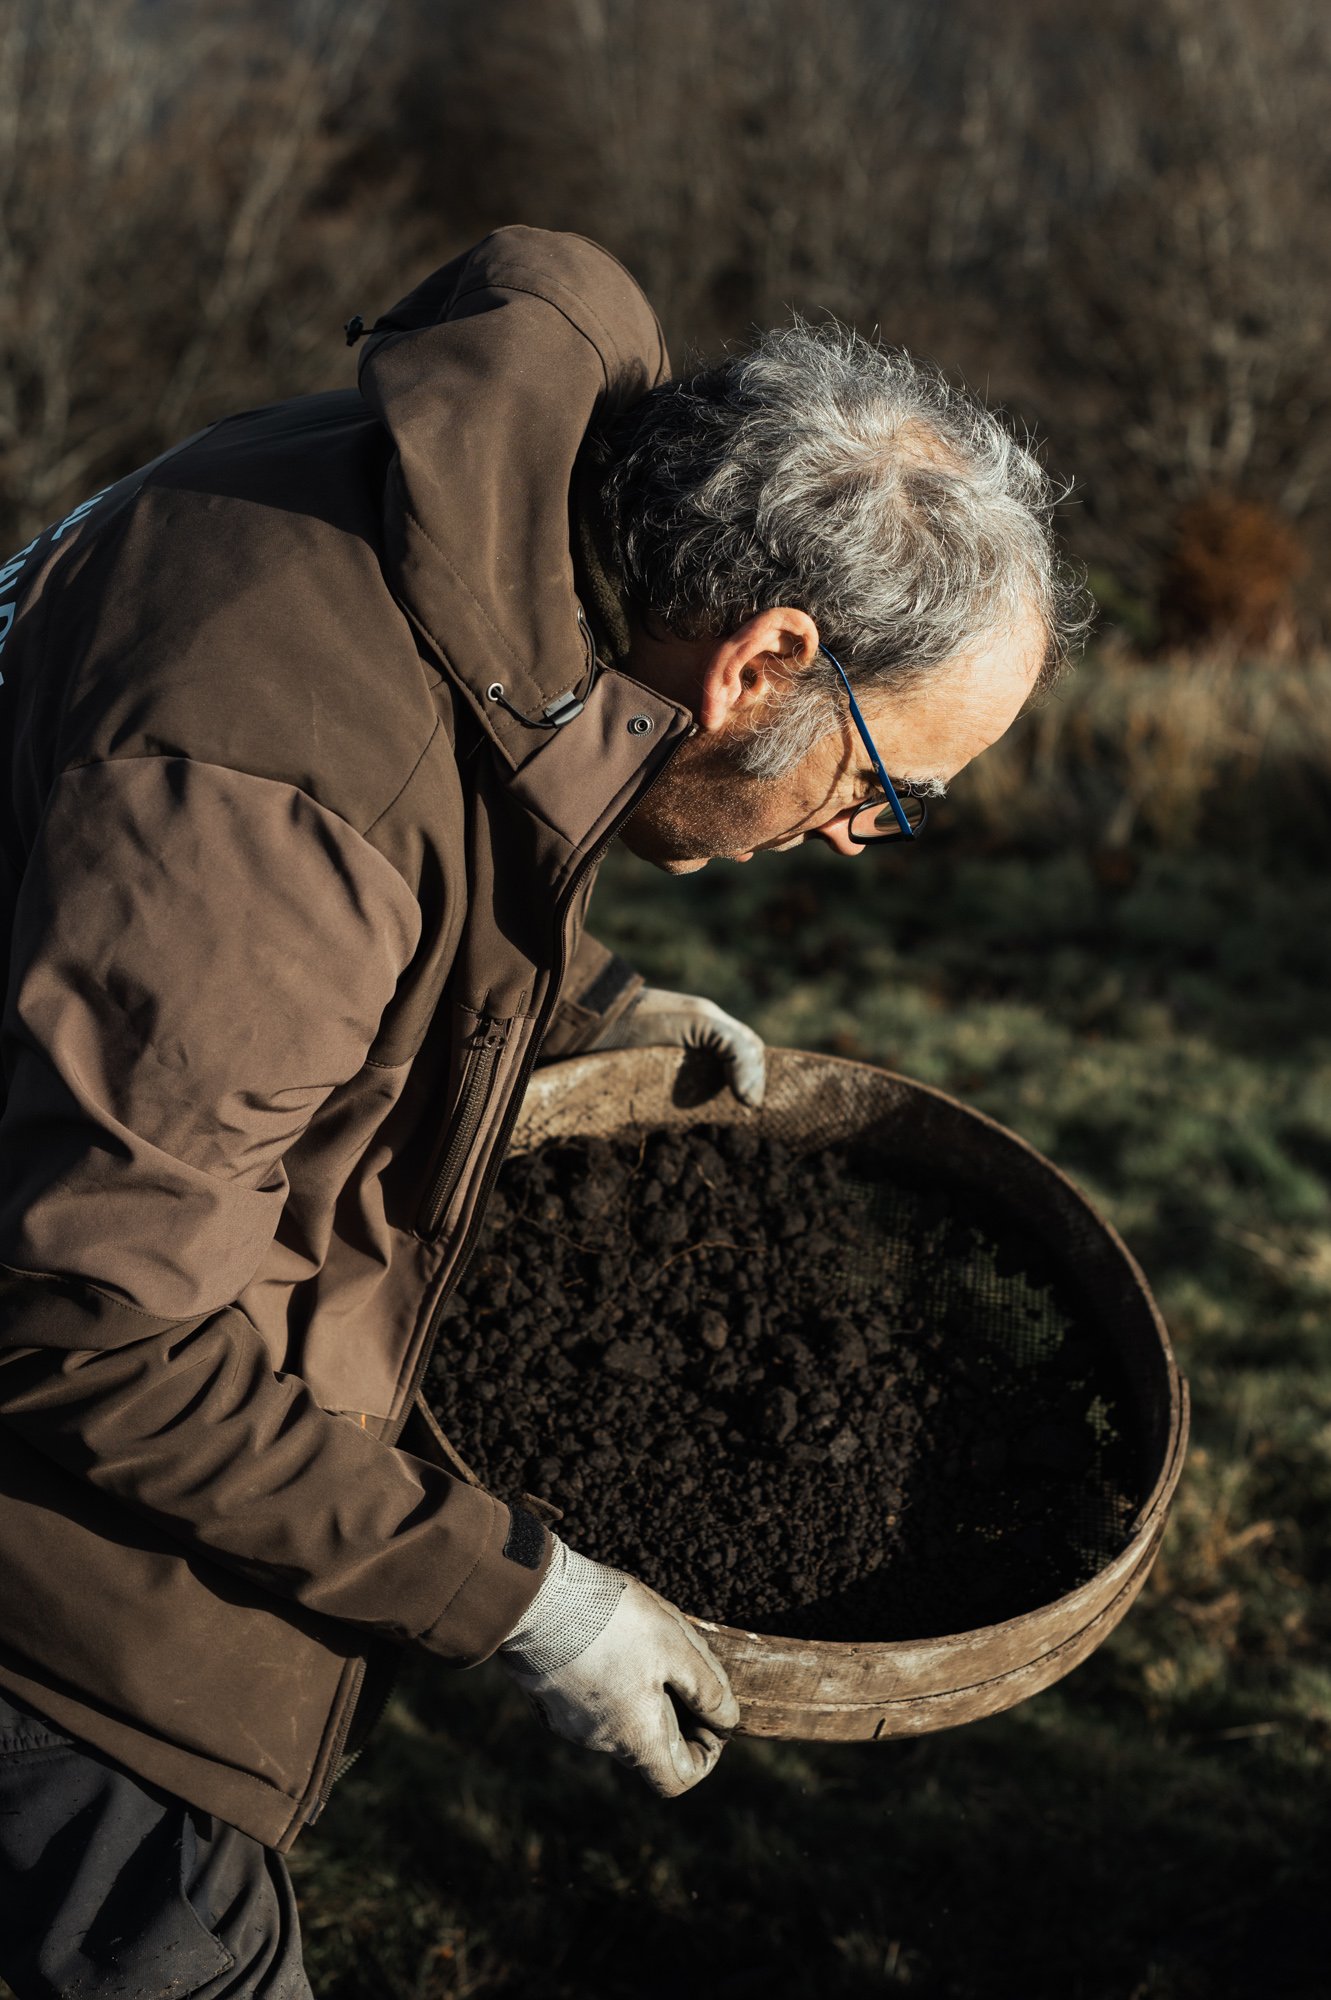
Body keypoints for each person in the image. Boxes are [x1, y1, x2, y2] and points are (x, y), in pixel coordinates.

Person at [0, 226, 1083, 1997]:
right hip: (52, 1596)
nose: (860, 843)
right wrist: (519, 1596)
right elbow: (87, 1324)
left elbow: (348, 917)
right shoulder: (284, 767)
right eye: (890, 789)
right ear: (761, 660)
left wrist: (590, 1015)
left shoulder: (480, 550)